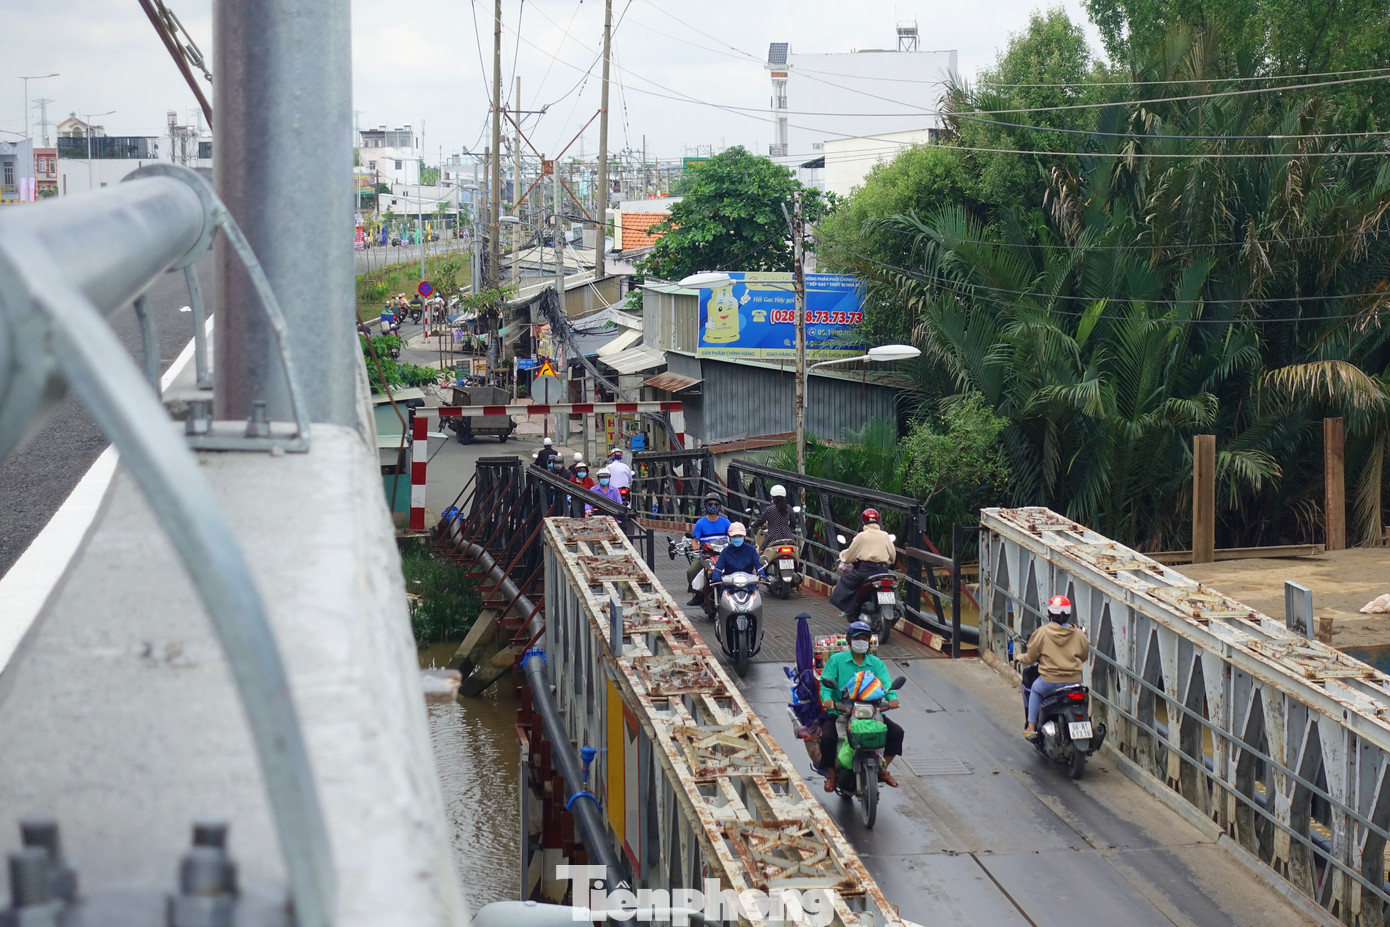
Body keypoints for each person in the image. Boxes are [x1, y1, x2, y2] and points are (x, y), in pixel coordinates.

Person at [818, 621, 903, 790]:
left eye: (865, 638)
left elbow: (886, 685)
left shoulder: (876, 663)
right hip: (841, 710)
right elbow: (825, 683)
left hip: (869, 711)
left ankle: (882, 769)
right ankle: (831, 774)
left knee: (897, 733)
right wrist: (828, 700)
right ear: (849, 640)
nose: (861, 641)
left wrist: (892, 698)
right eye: (857, 638)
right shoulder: (836, 660)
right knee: (827, 737)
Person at [1017, 595, 1090, 739]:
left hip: (1049, 681)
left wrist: (1020, 657)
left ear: (1050, 613)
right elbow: (1084, 656)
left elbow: (1031, 658)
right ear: (1068, 614)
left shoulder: (1043, 632)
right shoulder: (1078, 634)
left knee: (1035, 690)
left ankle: (1031, 726)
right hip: (1074, 682)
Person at [829, 509, 897, 619]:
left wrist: (842, 555)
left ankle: (849, 609)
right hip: (883, 570)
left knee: (846, 579)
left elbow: (849, 556)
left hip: (866, 570)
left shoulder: (861, 536)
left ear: (864, 522)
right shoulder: (885, 535)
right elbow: (892, 557)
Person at [686, 492, 731, 605]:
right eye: (710, 503)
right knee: (691, 572)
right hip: (707, 555)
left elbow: (733, 535)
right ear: (706, 505)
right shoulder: (701, 523)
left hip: (723, 555)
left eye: (716, 504)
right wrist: (695, 546)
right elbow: (695, 540)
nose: (713, 506)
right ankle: (698, 594)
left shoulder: (725, 522)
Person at [748, 484, 798, 565]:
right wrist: (790, 528)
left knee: (761, 553)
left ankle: (762, 572)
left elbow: (760, 521)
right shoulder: (789, 508)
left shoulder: (769, 509)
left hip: (773, 537)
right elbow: (794, 523)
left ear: (772, 497)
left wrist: (753, 524)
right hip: (788, 537)